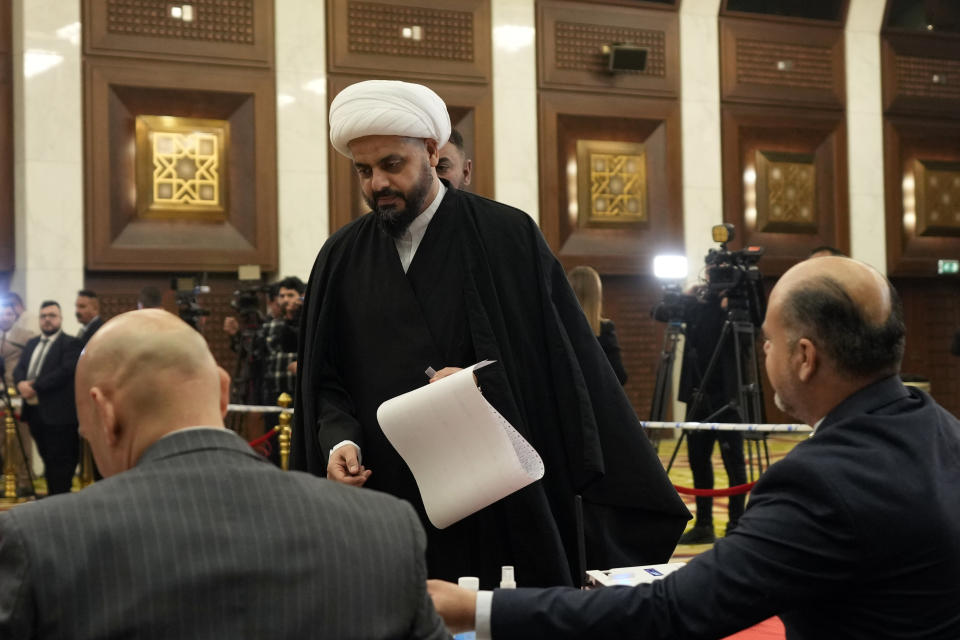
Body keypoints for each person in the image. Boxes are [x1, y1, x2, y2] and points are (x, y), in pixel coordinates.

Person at [428, 256, 960, 639]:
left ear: (804, 357)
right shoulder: (939, 427)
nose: (762, 354)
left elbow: (674, 614)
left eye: (768, 342)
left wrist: (475, 609)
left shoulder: (823, 481)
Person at [293, 79, 688, 589]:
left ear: (432, 152)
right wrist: (336, 440)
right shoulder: (340, 256)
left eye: (392, 165)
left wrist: (481, 384)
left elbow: (559, 368)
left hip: (494, 495)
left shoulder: (507, 236)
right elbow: (326, 379)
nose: (377, 185)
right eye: (364, 172)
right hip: (384, 494)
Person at [0, 309, 449, 639]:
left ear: (105, 412)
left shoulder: (35, 544)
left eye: (88, 434)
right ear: (222, 391)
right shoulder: (387, 529)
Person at [13, 301, 82, 495]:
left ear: (60, 319)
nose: (47, 320)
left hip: (60, 416)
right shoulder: (32, 343)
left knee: (60, 463)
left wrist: (34, 387)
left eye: (52, 316)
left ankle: (58, 500)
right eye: (43, 316)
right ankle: (51, 499)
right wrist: (20, 383)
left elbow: (63, 372)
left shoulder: (70, 343)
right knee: (47, 459)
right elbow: (20, 368)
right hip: (35, 413)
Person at [567, 266, 627, 385]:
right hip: (597, 400)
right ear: (596, 295)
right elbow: (620, 376)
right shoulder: (604, 329)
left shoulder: (558, 328)